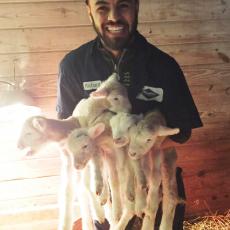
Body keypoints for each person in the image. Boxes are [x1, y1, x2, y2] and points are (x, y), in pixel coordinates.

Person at [56, 0, 203, 229]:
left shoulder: (164, 65)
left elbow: (182, 132)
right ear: (89, 12)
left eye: (123, 5)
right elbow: (69, 131)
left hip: (158, 189)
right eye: (102, 7)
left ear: (136, 7)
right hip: (106, 193)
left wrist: (138, 146)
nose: (113, 17)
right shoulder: (74, 66)